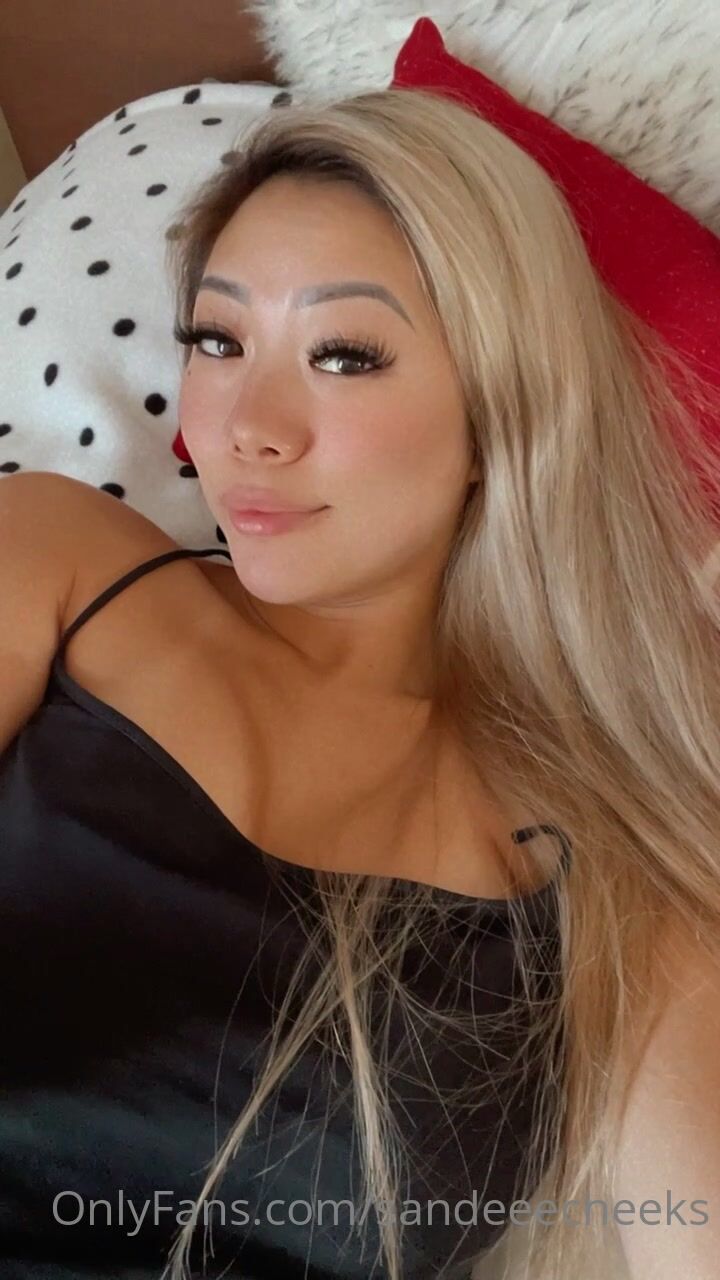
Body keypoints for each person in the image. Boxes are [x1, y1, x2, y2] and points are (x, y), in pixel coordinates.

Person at [1, 86, 719, 1280]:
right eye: (218, 340)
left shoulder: (612, 869)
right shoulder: (55, 558)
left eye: (344, 355)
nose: (249, 425)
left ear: (500, 411)